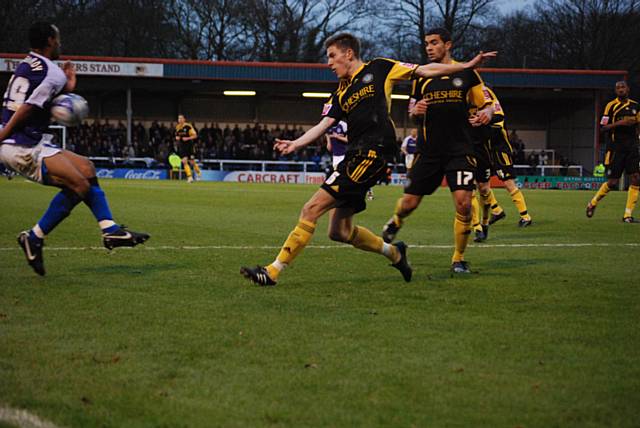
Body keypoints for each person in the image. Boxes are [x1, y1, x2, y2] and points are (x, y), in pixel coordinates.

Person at [240, 32, 496, 286]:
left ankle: (272, 271)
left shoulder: (381, 68)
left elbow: (424, 71)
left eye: (332, 56)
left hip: (374, 153)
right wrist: (295, 143)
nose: (329, 63)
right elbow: (325, 124)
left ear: (348, 53)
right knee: (338, 232)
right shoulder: (341, 91)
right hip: (355, 156)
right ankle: (395, 253)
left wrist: (465, 66)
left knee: (311, 209)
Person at [0, 22, 150, 276]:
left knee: (86, 168)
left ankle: (110, 229)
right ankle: (34, 237)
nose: (60, 43)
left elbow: (40, 95)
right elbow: (27, 107)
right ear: (49, 40)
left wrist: (68, 86)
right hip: (20, 146)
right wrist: (3, 134)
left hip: (31, 141)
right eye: (57, 39)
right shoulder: (51, 71)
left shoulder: (28, 64)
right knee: (79, 185)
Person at [381, 27, 495, 274]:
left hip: (461, 150)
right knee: (409, 203)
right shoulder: (422, 76)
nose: (429, 48)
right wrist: (415, 111)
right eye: (426, 44)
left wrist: (486, 113)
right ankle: (396, 221)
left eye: (434, 43)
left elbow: (489, 105)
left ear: (448, 44)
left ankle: (458, 258)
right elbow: (412, 111)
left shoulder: (467, 74)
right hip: (428, 151)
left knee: (464, 204)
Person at [471, 85, 532, 243]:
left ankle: (525, 216)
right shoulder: (468, 94)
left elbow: (498, 118)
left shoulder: (485, 93)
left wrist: (481, 122)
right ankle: (496, 211)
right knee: (481, 185)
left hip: (499, 148)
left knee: (508, 182)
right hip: (486, 149)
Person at [587, 81, 639, 223]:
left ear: (628, 89)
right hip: (616, 147)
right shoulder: (610, 106)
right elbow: (603, 128)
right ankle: (593, 203)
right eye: (618, 88)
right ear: (616, 91)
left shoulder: (636, 105)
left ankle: (627, 215)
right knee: (612, 182)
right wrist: (620, 123)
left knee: (636, 178)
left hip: (632, 147)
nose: (621, 90)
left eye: (623, 87)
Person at [174, 114, 201, 183]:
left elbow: (195, 135)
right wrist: (177, 138)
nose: (179, 120)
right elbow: (176, 136)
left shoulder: (188, 126)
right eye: (178, 118)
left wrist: (187, 138)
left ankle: (198, 173)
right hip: (182, 147)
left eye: (181, 118)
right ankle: (190, 177)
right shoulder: (177, 127)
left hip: (190, 146)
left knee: (192, 162)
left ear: (184, 119)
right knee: (184, 161)